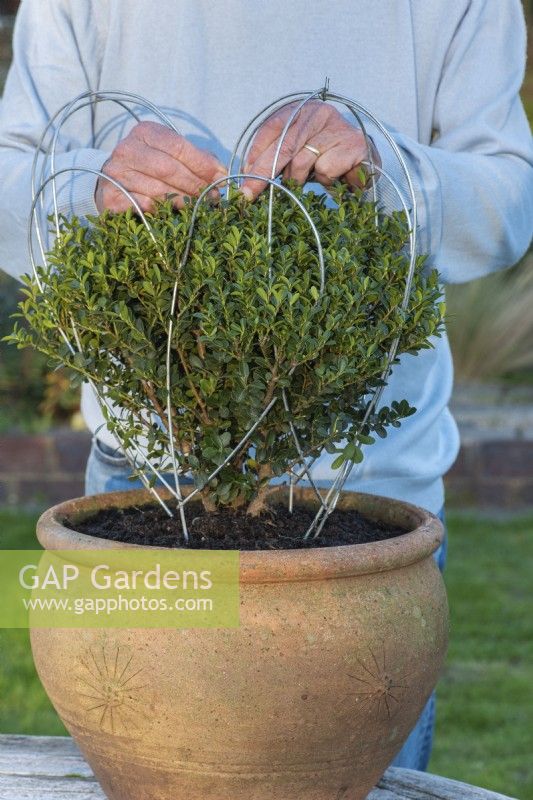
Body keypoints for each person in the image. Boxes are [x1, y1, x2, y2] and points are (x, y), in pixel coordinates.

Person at [0, 0, 532, 771]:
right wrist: (92, 181)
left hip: (367, 510)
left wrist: (382, 159)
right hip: (142, 488)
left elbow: (508, 205)